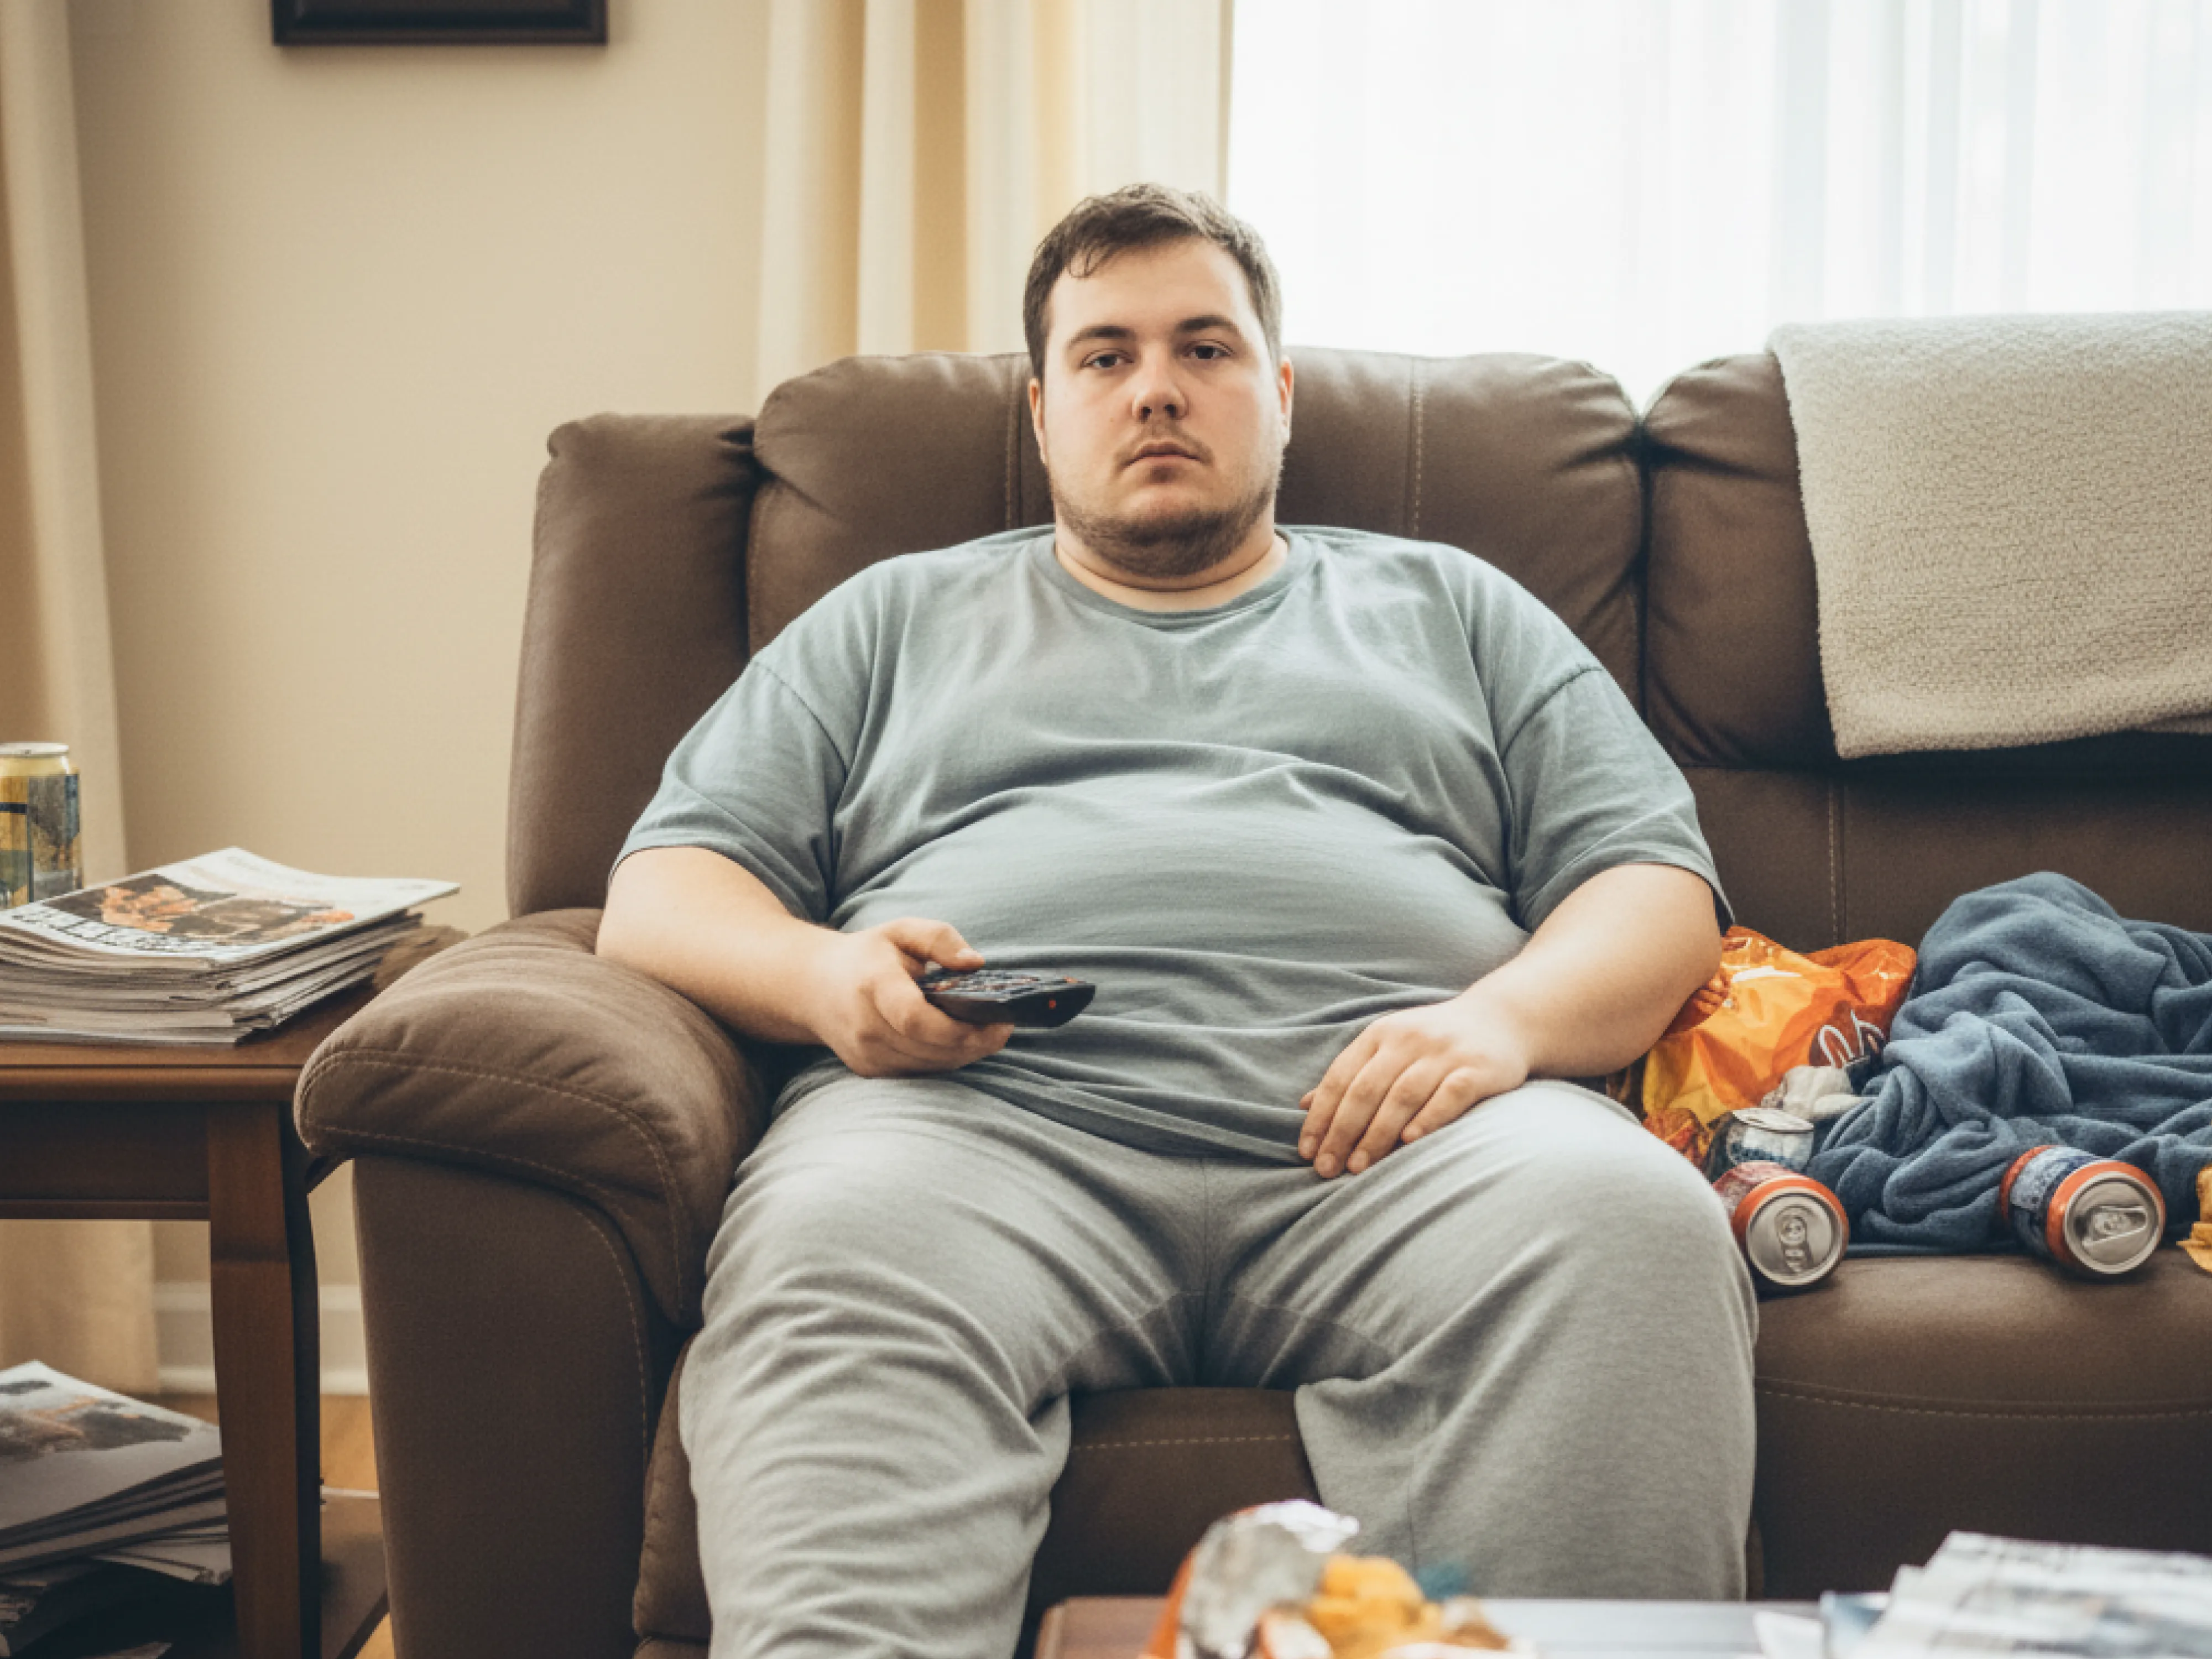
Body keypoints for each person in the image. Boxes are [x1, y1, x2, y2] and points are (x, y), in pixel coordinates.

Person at [598, 184, 1756, 1659]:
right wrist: (825, 975)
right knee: (828, 1244)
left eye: (1205, 348)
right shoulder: (890, 619)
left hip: (1412, 1135)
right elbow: (663, 888)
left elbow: (1652, 880)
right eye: (1106, 356)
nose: (1156, 388)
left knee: (1629, 1227)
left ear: (1280, 394)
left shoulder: (1454, 607)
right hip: (976, 1136)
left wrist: (1502, 1024)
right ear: (1041, 413)